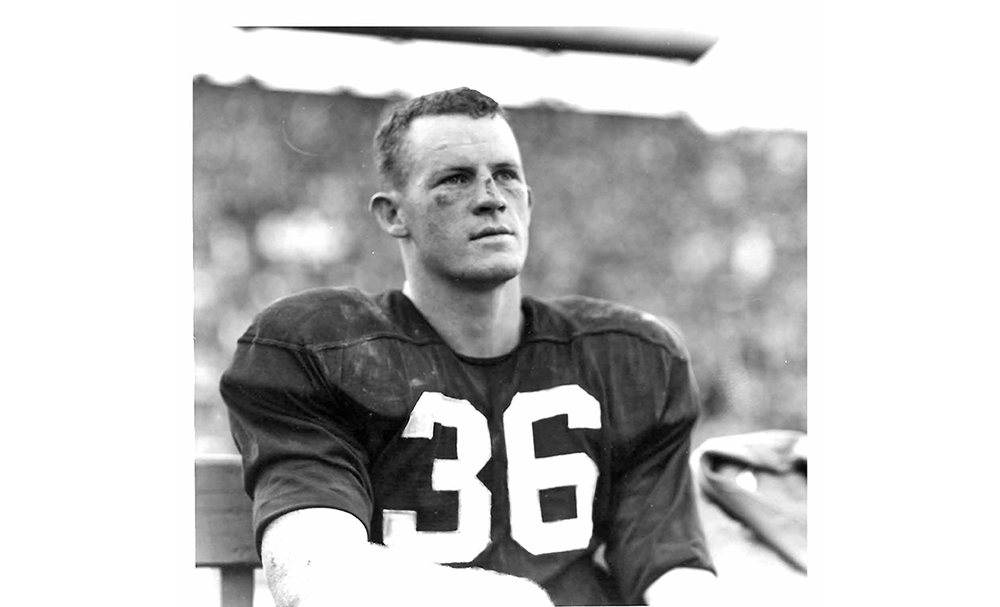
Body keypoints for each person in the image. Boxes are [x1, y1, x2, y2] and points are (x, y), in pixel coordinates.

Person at [220, 87, 718, 606]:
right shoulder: (317, 347)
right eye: (455, 179)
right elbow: (314, 575)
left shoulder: (629, 355)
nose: (490, 197)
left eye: (506, 175)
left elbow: (669, 569)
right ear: (394, 215)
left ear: (528, 199)